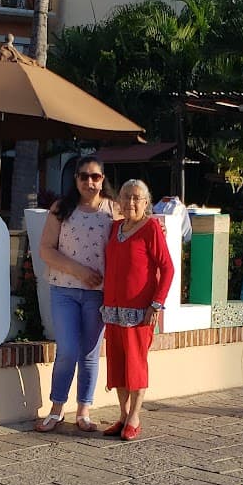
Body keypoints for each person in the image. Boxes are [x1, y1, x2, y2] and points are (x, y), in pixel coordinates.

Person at [34, 155, 117, 432]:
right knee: (67, 349)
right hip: (64, 291)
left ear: (103, 179)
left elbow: (135, 231)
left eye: (95, 176)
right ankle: (57, 408)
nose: (89, 182)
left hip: (98, 294)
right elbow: (46, 249)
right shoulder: (62, 208)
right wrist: (78, 270)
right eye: (84, 176)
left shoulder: (113, 210)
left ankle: (84, 411)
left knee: (90, 352)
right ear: (76, 179)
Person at [101, 178, 173, 442]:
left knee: (135, 364)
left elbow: (167, 268)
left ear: (145, 202)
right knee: (118, 364)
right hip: (113, 309)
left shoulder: (152, 228)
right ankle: (122, 414)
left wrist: (156, 304)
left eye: (136, 198)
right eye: (126, 197)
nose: (130, 202)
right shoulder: (115, 228)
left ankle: (135, 416)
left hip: (139, 311)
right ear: (119, 201)